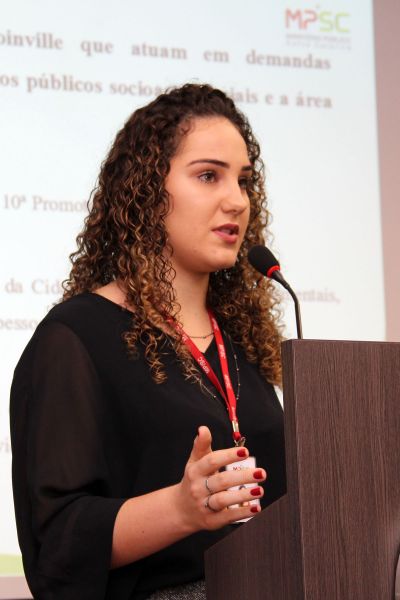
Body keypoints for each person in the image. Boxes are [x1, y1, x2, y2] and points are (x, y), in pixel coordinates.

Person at [10, 83, 286, 599]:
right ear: (146, 192)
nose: (236, 200)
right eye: (209, 175)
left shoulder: (240, 344)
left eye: (244, 181)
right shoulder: (75, 337)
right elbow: (57, 545)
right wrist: (180, 509)